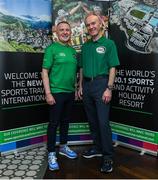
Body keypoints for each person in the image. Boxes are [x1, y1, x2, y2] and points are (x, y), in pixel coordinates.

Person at [78, 13, 120, 173]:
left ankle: (108, 157)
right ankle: (96, 148)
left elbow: (112, 67)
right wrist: (80, 85)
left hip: (102, 84)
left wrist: (109, 88)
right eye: (88, 25)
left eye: (94, 23)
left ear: (101, 24)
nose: (91, 27)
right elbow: (81, 67)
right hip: (87, 85)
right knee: (93, 120)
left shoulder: (109, 44)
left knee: (103, 123)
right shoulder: (85, 46)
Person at [42, 21, 78, 171]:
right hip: (56, 92)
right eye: (61, 30)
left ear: (70, 32)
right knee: (54, 123)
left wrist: (75, 88)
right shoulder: (52, 49)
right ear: (56, 32)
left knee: (65, 121)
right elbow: (44, 72)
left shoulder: (72, 51)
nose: (65, 32)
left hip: (69, 92)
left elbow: (73, 72)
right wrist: (48, 93)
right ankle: (51, 152)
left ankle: (63, 146)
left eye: (67, 30)